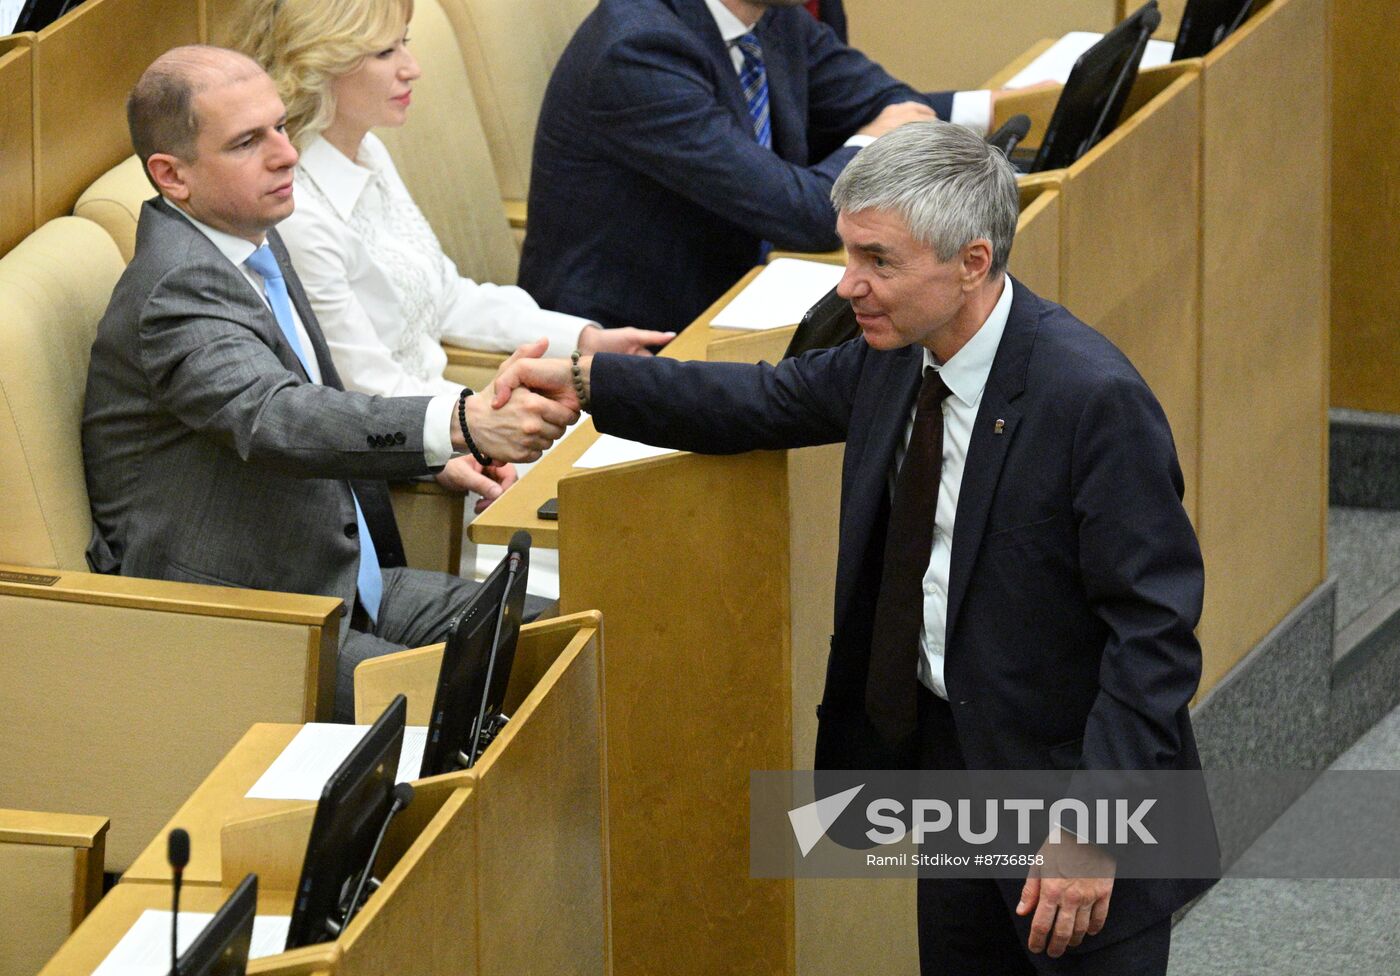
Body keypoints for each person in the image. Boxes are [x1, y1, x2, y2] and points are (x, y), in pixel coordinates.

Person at [495, 121, 1216, 973]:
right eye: (848, 256)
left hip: (1076, 786)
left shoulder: (1090, 400)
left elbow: (1155, 633)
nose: (851, 287)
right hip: (954, 768)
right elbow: (758, 402)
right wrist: (584, 385)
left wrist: (1093, 831)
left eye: (879, 261)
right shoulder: (893, 358)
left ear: (972, 263)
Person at [82, 46, 580, 721]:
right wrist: (459, 422)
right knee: (508, 713)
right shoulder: (177, 290)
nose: (286, 155)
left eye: (280, 127)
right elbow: (276, 417)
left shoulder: (251, 234)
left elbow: (321, 401)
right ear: (173, 176)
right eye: (248, 142)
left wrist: (438, 459)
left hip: (348, 581)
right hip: (256, 622)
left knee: (577, 639)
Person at [231, 0, 671, 510]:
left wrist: (584, 339)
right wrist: (470, 431)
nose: (410, 67)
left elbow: (449, 297)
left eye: (406, 43)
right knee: (634, 510)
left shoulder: (368, 152)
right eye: (384, 52)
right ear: (318, 66)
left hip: (465, 412)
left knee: (656, 456)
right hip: (422, 465)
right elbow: (363, 389)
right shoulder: (298, 214)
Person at [518, 0, 1009, 333]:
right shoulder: (637, 50)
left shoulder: (774, 19)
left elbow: (888, 101)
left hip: (741, 299)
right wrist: (879, 137)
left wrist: (896, 126)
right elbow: (809, 215)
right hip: (633, 343)